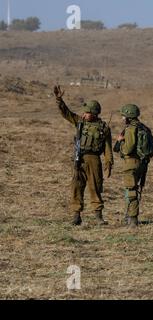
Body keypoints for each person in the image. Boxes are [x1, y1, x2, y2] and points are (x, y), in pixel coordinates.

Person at [54, 85, 113, 226]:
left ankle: (98, 217)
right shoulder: (79, 122)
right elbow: (66, 113)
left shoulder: (104, 128)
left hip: (94, 160)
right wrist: (59, 100)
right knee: (76, 186)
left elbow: (107, 148)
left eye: (87, 112)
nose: (84, 114)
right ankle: (76, 216)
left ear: (93, 113)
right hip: (79, 158)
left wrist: (108, 163)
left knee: (95, 187)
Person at [114, 104, 153, 228]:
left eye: (124, 116)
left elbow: (128, 149)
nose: (123, 118)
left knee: (131, 191)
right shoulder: (144, 127)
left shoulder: (131, 129)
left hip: (131, 164)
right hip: (142, 163)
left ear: (129, 116)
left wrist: (121, 141)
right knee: (134, 190)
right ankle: (129, 215)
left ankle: (132, 220)